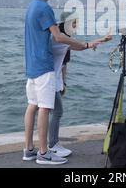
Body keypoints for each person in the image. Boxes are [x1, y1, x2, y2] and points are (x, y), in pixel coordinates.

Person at [22, 0, 101, 165]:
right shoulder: (44, 8)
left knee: (32, 106)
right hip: (44, 66)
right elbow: (58, 36)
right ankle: (43, 153)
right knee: (45, 108)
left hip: (32, 66)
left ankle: (29, 150)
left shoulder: (32, 6)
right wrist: (83, 44)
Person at [48, 12, 112, 158]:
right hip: (48, 80)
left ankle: (47, 145)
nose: (76, 27)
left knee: (53, 112)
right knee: (56, 112)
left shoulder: (62, 36)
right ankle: (52, 145)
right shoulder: (59, 38)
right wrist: (99, 41)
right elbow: (82, 46)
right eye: (74, 24)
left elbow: (64, 63)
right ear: (66, 23)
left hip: (53, 80)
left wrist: (63, 82)